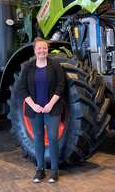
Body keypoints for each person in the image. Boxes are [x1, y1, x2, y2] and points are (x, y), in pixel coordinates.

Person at [20, 38, 65, 183]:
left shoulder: (55, 65)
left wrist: (51, 104)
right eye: (39, 48)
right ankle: (40, 169)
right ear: (34, 50)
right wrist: (33, 105)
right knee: (38, 138)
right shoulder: (28, 67)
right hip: (34, 110)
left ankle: (54, 169)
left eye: (44, 48)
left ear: (48, 50)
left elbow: (60, 86)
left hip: (52, 108)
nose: (42, 51)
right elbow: (23, 89)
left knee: (52, 139)